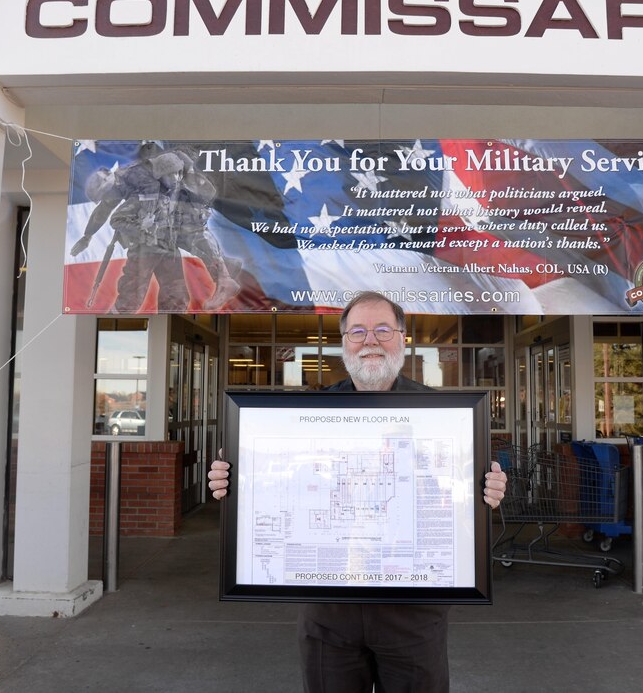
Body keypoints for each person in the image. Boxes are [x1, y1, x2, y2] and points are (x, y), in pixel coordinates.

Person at [208, 291, 507, 693]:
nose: (370, 340)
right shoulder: (308, 417)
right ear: (344, 343)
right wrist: (234, 482)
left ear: (403, 338)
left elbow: (457, 496)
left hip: (414, 612)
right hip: (328, 613)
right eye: (359, 331)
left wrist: (487, 490)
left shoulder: (445, 416)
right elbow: (276, 486)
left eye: (383, 330)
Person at [70, 142, 241, 313]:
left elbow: (153, 209)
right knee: (140, 295)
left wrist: (149, 227)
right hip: (153, 242)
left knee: (173, 293)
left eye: (106, 194)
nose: (107, 199)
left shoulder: (137, 178)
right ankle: (224, 272)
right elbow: (104, 211)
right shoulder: (122, 182)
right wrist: (87, 236)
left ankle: (223, 277)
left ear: (108, 183)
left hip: (157, 240)